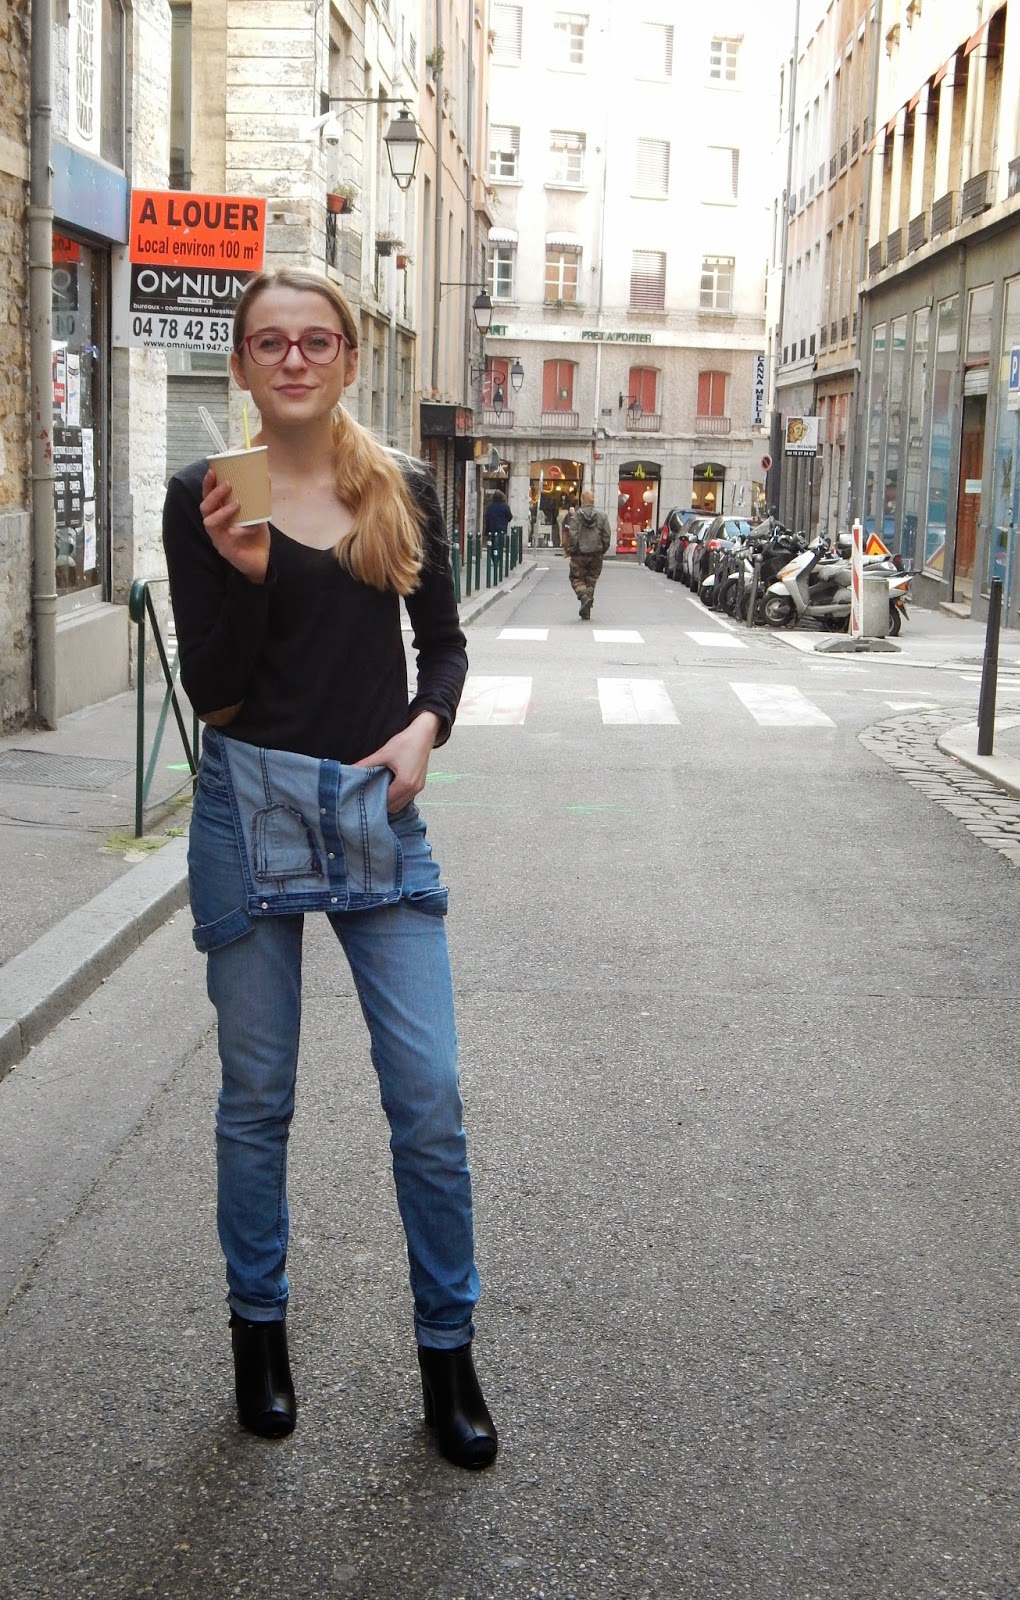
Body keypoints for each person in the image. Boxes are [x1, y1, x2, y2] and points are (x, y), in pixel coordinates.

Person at [161, 267, 497, 1470]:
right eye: (270, 342)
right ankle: (259, 1336)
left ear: (350, 358)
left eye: (316, 341)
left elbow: (443, 647)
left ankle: (449, 1354)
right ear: (243, 364)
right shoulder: (214, 492)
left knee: (429, 1097)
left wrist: (424, 728)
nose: (294, 359)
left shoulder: (394, 485)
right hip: (246, 809)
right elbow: (215, 693)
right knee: (258, 1099)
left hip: (372, 813)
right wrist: (254, 579)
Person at [564, 489, 612, 619]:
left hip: (579, 553)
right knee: (591, 580)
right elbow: (606, 536)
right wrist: (602, 550)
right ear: (593, 500)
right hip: (596, 553)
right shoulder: (602, 516)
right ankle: (586, 609)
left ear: (581, 499)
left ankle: (584, 597)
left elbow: (573, 535)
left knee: (576, 578)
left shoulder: (575, 517)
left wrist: (572, 550)